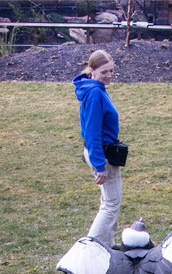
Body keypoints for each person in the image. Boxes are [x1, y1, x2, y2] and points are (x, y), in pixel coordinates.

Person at [73, 50, 122, 248]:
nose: (109, 75)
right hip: (102, 154)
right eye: (104, 72)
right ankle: (88, 249)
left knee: (108, 201)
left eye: (111, 71)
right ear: (91, 70)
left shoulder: (96, 87)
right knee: (111, 204)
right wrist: (99, 165)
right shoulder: (94, 93)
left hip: (102, 152)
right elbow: (92, 131)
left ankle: (107, 245)